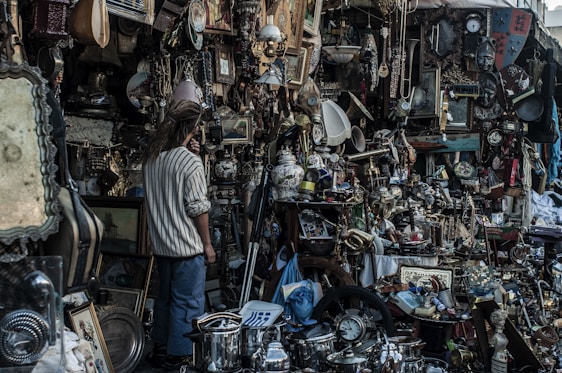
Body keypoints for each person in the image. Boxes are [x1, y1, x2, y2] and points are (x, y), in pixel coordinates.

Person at [143, 84, 216, 370]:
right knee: (187, 303)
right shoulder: (190, 163)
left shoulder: (152, 159)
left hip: (162, 247)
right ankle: (182, 356)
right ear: (193, 127)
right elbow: (198, 208)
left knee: (163, 301)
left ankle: (161, 349)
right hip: (187, 248)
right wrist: (207, 245)